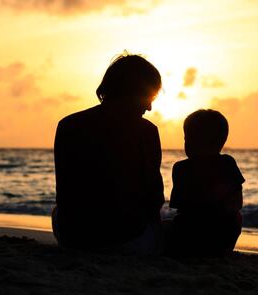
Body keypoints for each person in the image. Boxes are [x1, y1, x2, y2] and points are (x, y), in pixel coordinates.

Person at [52, 53, 164, 253]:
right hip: (128, 240)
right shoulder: (146, 131)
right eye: (149, 97)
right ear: (131, 92)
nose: (149, 107)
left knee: (57, 212)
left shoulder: (68, 125)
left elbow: (65, 192)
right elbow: (154, 198)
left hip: (73, 236)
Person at [168, 109, 244, 256]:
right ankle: (223, 249)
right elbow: (237, 202)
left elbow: (178, 205)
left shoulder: (181, 168)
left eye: (187, 139)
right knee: (236, 217)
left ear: (191, 141)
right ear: (221, 142)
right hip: (223, 233)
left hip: (189, 232)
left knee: (170, 224)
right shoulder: (228, 163)